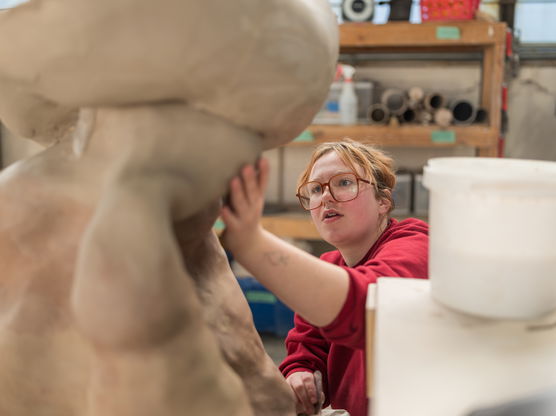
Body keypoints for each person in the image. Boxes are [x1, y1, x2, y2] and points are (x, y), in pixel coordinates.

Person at [221, 139, 429, 416]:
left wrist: (252, 244)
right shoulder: (330, 266)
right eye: (316, 189)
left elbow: (369, 306)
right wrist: (301, 373)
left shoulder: (415, 242)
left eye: (344, 182)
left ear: (383, 201)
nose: (326, 197)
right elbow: (308, 346)